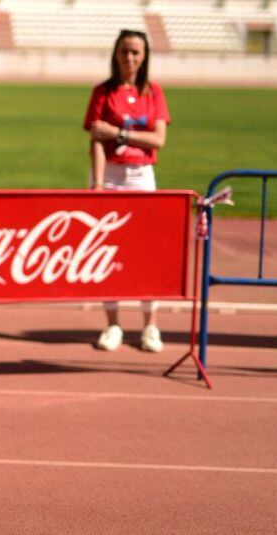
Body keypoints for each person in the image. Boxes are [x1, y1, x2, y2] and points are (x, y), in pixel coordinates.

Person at [84, 28, 171, 353]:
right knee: (108, 249)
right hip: (111, 174)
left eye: (136, 52)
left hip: (141, 175)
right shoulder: (103, 92)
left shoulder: (154, 92)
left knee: (146, 248)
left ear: (144, 55)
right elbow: (95, 139)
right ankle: (113, 323)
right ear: (116, 54)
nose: (130, 58)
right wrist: (97, 183)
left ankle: (150, 324)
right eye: (124, 51)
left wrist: (119, 134)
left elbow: (158, 140)